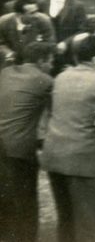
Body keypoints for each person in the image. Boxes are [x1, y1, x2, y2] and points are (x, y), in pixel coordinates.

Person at [40, 35, 95, 242]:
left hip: (54, 156)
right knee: (88, 224)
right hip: (82, 159)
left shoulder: (61, 77)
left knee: (66, 220)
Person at [0, 42, 53, 242]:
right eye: (50, 61)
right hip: (20, 148)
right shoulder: (45, 80)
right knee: (26, 202)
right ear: (41, 61)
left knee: (4, 198)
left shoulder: (5, 73)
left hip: (2, 144)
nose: (52, 64)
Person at [0, 0, 54, 68]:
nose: (36, 15)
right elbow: (1, 43)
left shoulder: (44, 20)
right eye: (32, 13)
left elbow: (50, 44)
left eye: (37, 11)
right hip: (12, 62)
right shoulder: (4, 22)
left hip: (36, 63)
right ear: (19, 15)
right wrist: (9, 54)